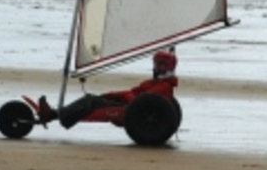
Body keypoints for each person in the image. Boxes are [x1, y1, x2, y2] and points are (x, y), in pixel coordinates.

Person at [38, 50, 178, 129]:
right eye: (155, 64)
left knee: (89, 100)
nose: (155, 67)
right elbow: (134, 92)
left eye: (159, 64)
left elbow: (141, 102)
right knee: (97, 99)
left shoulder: (163, 87)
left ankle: (54, 115)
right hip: (131, 106)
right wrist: (113, 95)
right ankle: (55, 114)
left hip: (134, 112)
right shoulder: (155, 82)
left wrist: (125, 96)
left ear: (165, 67)